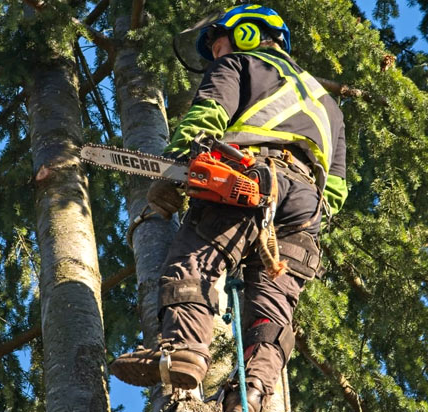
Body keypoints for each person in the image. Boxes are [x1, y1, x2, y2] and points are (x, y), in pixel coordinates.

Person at [110, 4, 348, 411]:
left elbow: (208, 116)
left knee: (193, 262)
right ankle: (250, 394)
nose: (217, 55)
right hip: (306, 207)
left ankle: (182, 350)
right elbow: (337, 189)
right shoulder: (329, 105)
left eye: (219, 44)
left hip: (249, 177)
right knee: (271, 309)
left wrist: (174, 171)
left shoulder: (240, 64)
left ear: (248, 35)